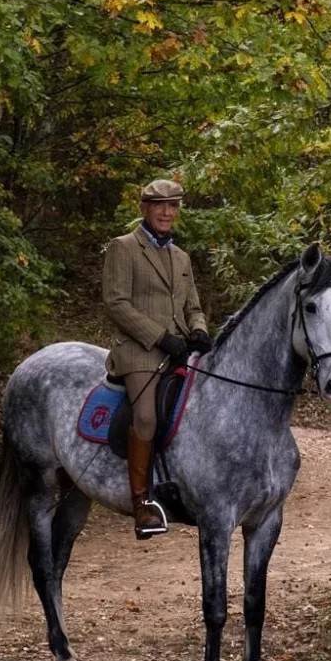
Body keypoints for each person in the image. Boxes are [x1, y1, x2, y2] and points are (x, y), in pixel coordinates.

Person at [102, 179, 212, 539]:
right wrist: (159, 337)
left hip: (178, 348)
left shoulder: (181, 257)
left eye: (173, 206)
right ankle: (143, 504)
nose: (167, 213)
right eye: (159, 206)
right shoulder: (124, 248)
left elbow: (193, 305)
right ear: (145, 209)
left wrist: (199, 330)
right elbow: (117, 303)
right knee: (146, 417)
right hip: (139, 350)